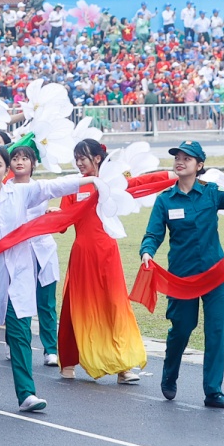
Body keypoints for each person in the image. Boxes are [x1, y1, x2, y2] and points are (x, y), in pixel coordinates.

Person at [0, 144, 87, 412]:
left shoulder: (19, 193)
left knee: (20, 332)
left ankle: (27, 393)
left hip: (19, 273)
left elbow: (53, 188)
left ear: (6, 169)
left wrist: (90, 180)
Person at [140, 141, 224, 409]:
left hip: (214, 275)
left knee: (215, 330)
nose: (180, 161)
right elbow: (153, 234)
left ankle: (213, 391)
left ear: (199, 165)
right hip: (182, 279)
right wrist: (147, 252)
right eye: (177, 157)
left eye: (187, 158)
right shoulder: (165, 200)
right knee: (182, 328)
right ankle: (170, 373)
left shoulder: (211, 193)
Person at [56, 138, 145, 384]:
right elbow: (63, 222)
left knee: (115, 306)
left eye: (83, 158)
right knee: (77, 306)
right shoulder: (74, 186)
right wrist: (50, 216)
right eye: (76, 159)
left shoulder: (111, 182)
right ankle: (69, 360)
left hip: (108, 252)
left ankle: (123, 366)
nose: (79, 163)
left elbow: (136, 189)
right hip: (83, 254)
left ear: (97, 158)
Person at [8, 140, 62, 366]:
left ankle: (51, 348)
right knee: (19, 302)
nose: (19, 162)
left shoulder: (42, 188)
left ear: (33, 163)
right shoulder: (4, 190)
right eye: (15, 158)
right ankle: (19, 345)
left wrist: (52, 212)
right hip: (17, 252)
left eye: (24, 158)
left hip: (42, 251)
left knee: (46, 302)